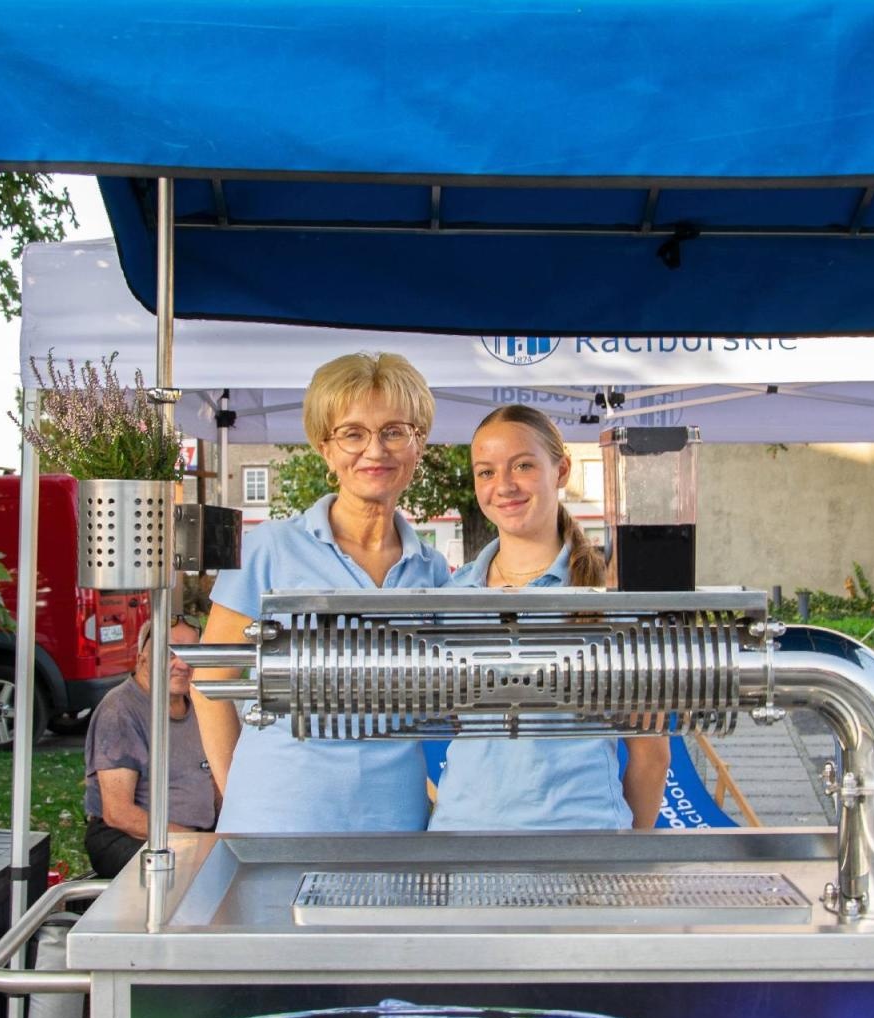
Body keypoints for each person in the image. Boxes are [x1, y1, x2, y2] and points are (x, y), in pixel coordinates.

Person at [194, 352, 450, 832]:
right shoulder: (269, 547)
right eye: (353, 433)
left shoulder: (432, 571)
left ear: (419, 445)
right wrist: (241, 791)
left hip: (394, 818)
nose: (375, 451)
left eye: (395, 431)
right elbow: (210, 680)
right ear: (324, 448)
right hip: (277, 816)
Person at [429, 404, 671, 831]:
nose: (503, 486)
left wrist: (629, 858)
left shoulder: (613, 598)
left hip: (583, 844)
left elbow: (651, 755)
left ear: (561, 471)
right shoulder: (453, 597)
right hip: (464, 841)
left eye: (522, 465)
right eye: (486, 472)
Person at [83, 616, 217, 877]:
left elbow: (214, 782)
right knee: (199, 872)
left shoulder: (200, 704)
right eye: (170, 653)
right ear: (142, 658)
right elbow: (118, 813)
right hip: (125, 838)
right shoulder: (120, 710)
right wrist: (194, 842)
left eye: (192, 653)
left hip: (192, 837)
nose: (183, 663)